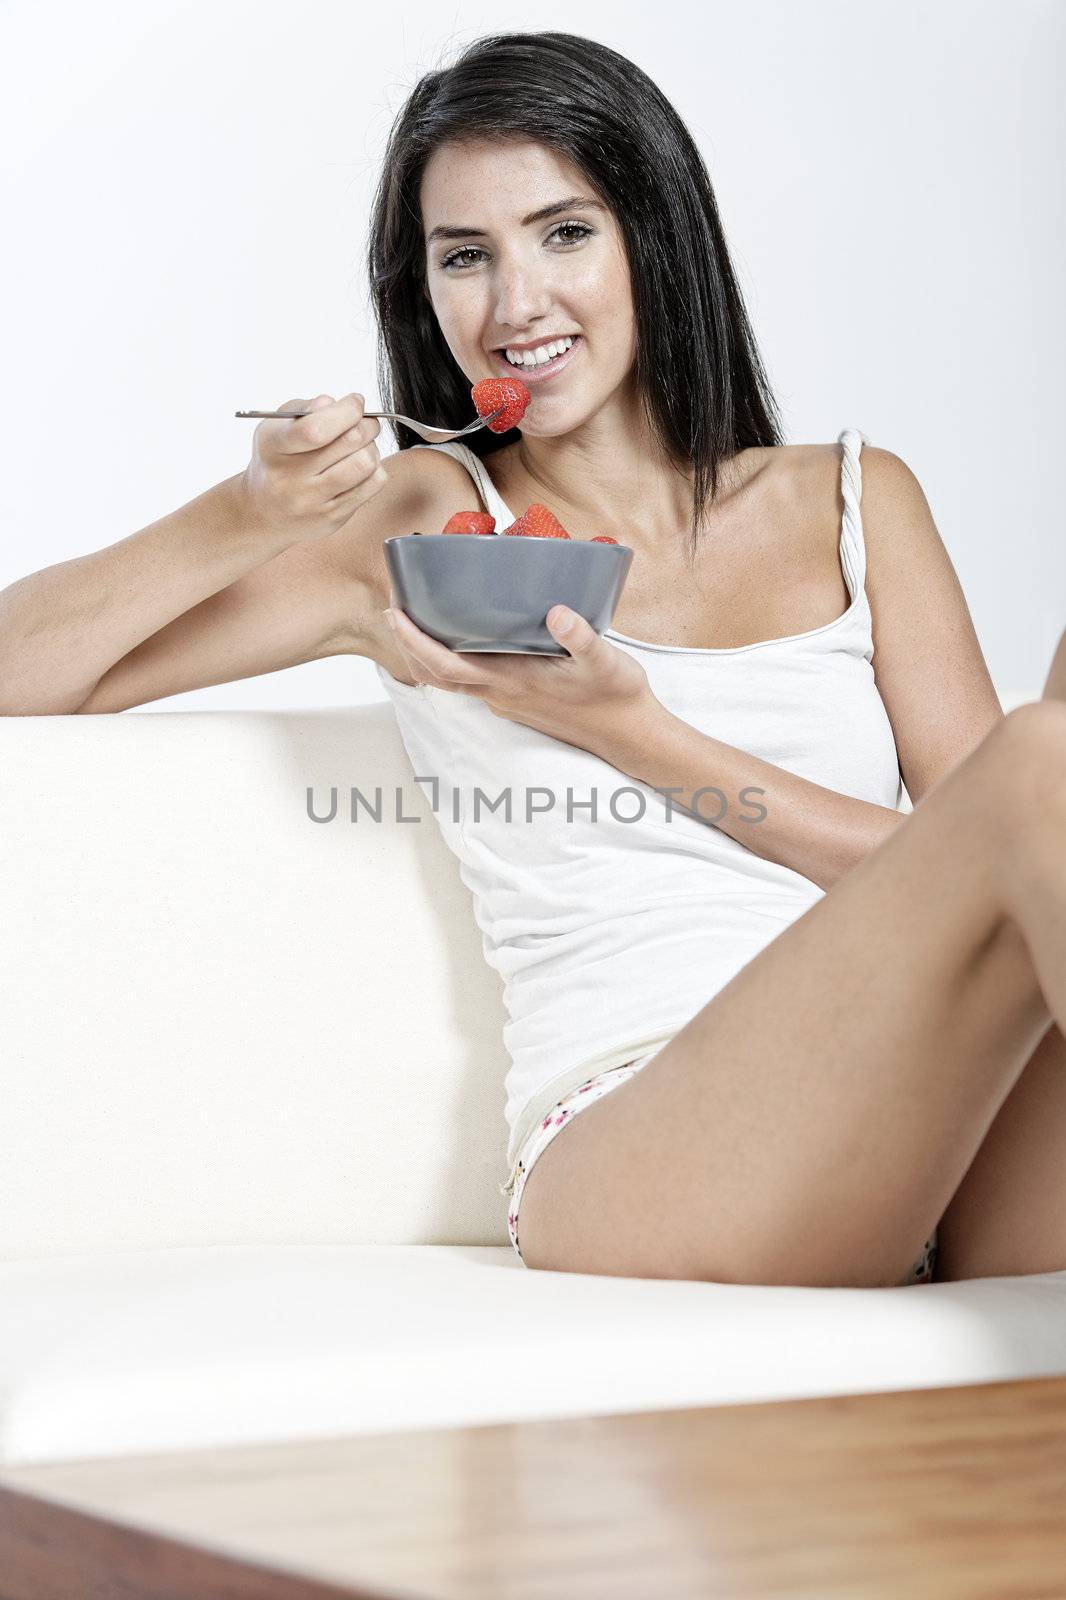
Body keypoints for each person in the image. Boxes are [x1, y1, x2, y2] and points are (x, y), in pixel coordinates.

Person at [3, 32, 1065, 1292]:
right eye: (466, 257)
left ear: (655, 236)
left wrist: (641, 731)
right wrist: (245, 514)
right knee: (1044, 757)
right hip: (643, 1138)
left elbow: (969, 862)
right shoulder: (420, 526)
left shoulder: (853, 499)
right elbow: (30, 672)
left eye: (564, 233)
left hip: (944, 1121)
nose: (515, 306)